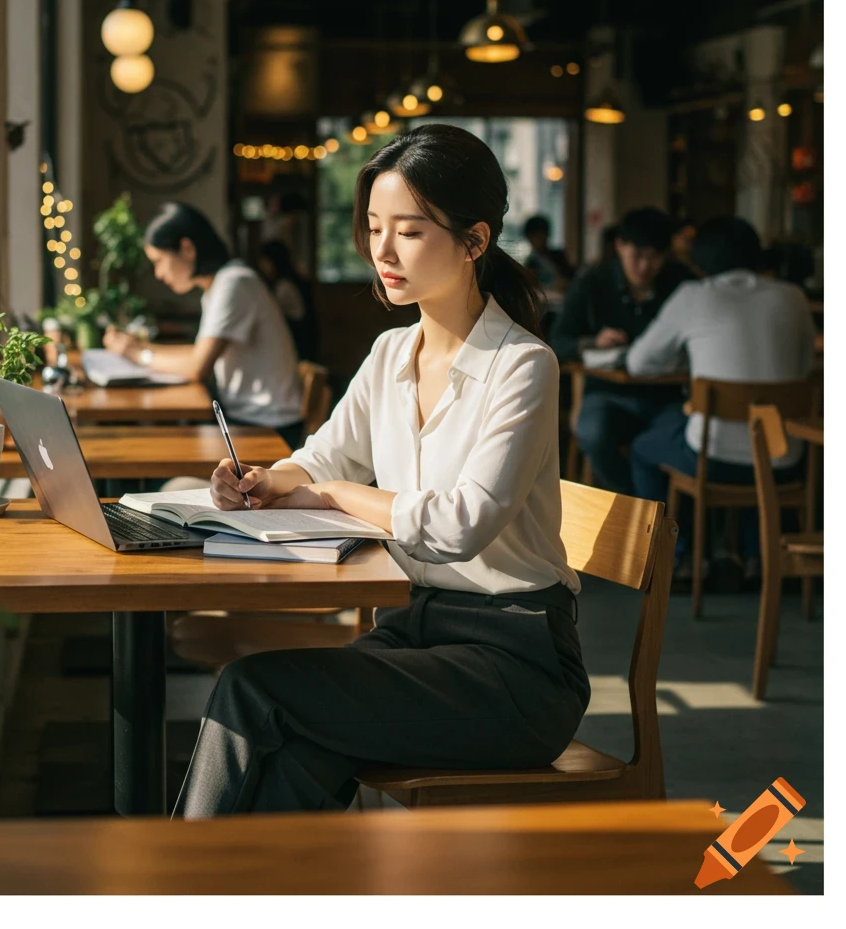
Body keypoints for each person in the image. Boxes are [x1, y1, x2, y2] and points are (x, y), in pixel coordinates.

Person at [173, 123, 591, 819]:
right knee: (288, 750)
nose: (382, 252)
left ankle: (172, 889)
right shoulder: (391, 353)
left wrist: (331, 492)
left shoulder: (522, 367)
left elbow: (458, 526)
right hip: (416, 635)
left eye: (409, 231)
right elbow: (325, 453)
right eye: (372, 228)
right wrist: (269, 478)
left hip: (517, 668)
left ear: (474, 241)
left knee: (254, 688)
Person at [626, 216, 814, 550]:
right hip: (784, 460)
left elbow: (638, 363)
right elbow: (803, 370)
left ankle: (675, 558)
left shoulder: (692, 296)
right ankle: (755, 555)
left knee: (642, 447)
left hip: (713, 460)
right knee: (755, 444)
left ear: (699, 258)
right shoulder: (794, 297)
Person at [103, 202, 304, 448]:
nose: (158, 273)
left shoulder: (235, 283)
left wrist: (137, 353)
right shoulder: (221, 285)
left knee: (147, 447)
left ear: (186, 249)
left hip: (267, 428)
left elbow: (198, 366)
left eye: (159, 261)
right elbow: (199, 353)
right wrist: (140, 347)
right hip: (248, 420)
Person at [550, 206, 696, 495]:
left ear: (667, 255)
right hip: (607, 393)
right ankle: (639, 504)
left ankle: (663, 518)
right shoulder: (593, 282)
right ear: (620, 247)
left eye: (654, 258)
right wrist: (591, 342)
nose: (644, 267)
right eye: (637, 256)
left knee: (690, 440)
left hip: (666, 396)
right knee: (593, 433)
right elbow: (556, 342)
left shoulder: (682, 283)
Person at [257, 239, 320, 362]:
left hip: (298, 346)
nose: (262, 266)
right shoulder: (292, 281)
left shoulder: (284, 287)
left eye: (265, 261)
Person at [522, 214, 574, 293]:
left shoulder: (559, 255)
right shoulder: (531, 263)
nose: (539, 239)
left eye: (541, 234)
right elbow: (532, 287)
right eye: (535, 236)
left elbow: (570, 277)